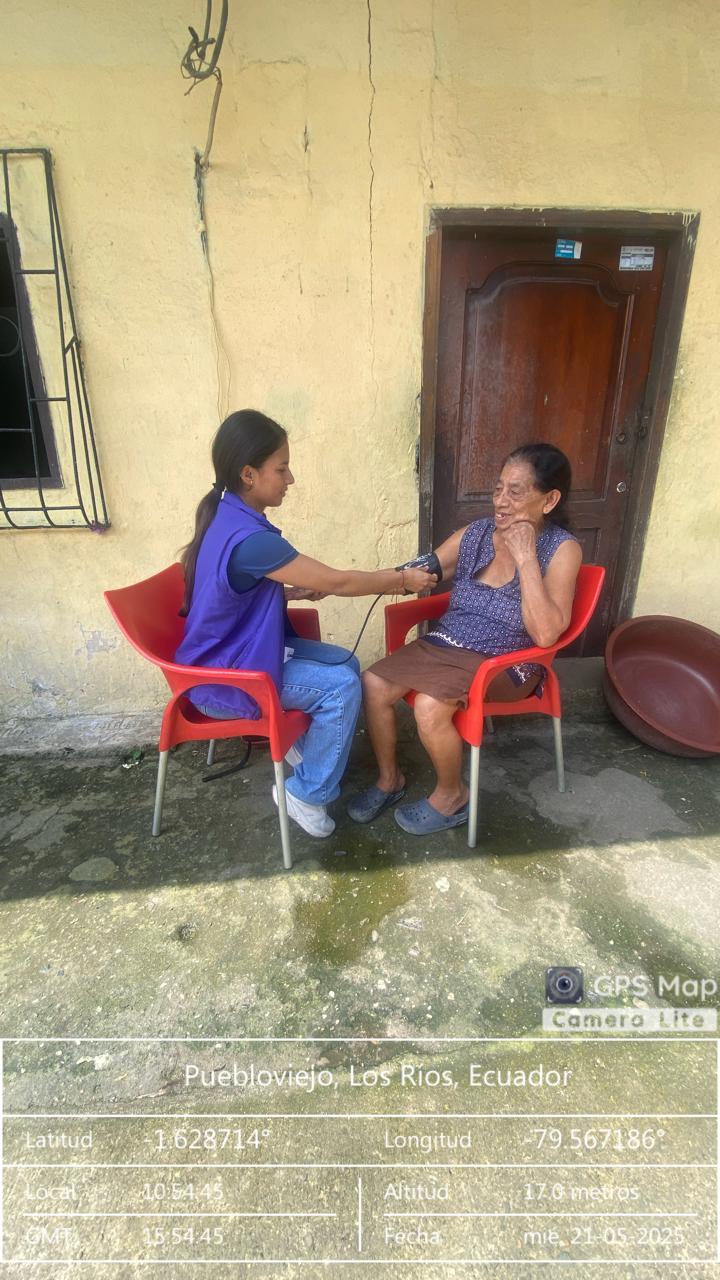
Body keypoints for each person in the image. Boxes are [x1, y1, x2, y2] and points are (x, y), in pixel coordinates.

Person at [176, 410, 436, 839]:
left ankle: (304, 751)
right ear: (248, 474)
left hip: (234, 652)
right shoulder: (251, 540)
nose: (290, 479)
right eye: (281, 469)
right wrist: (401, 580)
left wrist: (287, 593)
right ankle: (305, 793)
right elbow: (337, 581)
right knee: (341, 688)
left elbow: (229, 593)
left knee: (347, 663)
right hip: (223, 678)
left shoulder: (227, 515)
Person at [347, 442, 583, 835]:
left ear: (550, 500)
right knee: (372, 682)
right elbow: (417, 571)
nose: (501, 502)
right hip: (448, 644)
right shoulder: (476, 534)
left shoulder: (562, 549)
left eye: (516, 491)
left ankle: (452, 795)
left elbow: (545, 634)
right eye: (498, 488)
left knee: (429, 706)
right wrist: (337, 586)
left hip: (507, 662)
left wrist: (526, 557)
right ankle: (390, 780)